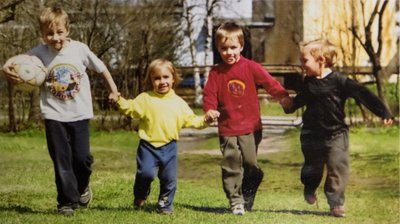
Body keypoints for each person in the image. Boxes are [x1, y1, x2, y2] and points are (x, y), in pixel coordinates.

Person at [2, 6, 120, 216]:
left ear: (67, 30)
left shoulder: (80, 50)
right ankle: (66, 202)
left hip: (80, 114)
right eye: (49, 33)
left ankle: (83, 185)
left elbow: (102, 69)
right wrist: (5, 69)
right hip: (53, 114)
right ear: (42, 34)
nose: (55, 38)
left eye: (59, 32)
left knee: (82, 160)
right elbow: (16, 64)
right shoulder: (38, 53)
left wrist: (114, 90)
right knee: (61, 159)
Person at [284, 39, 393, 217]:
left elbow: (363, 93)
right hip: (312, 134)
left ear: (321, 60)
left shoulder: (339, 81)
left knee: (337, 167)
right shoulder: (308, 82)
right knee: (312, 168)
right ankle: (310, 186)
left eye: (305, 60)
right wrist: (288, 105)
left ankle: (336, 204)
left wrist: (384, 113)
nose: (301, 64)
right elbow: (298, 101)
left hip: (336, 133)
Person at [203, 21, 292, 215]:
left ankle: (250, 187)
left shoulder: (250, 67)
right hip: (227, 127)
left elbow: (269, 82)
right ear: (218, 48)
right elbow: (209, 94)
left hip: (251, 126)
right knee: (231, 163)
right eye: (224, 48)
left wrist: (282, 96)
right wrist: (210, 110)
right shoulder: (216, 73)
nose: (229, 52)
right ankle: (235, 200)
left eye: (233, 47)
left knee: (251, 165)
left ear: (241, 46)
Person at [109, 59, 218, 215]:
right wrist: (119, 100)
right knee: (145, 174)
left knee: (169, 178)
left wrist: (206, 119)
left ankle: (165, 205)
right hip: (147, 146)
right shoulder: (146, 99)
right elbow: (130, 108)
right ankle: (141, 194)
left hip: (169, 147)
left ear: (173, 79)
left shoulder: (179, 103)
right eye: (157, 78)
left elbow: (193, 120)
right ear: (151, 80)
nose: (162, 81)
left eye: (166, 77)